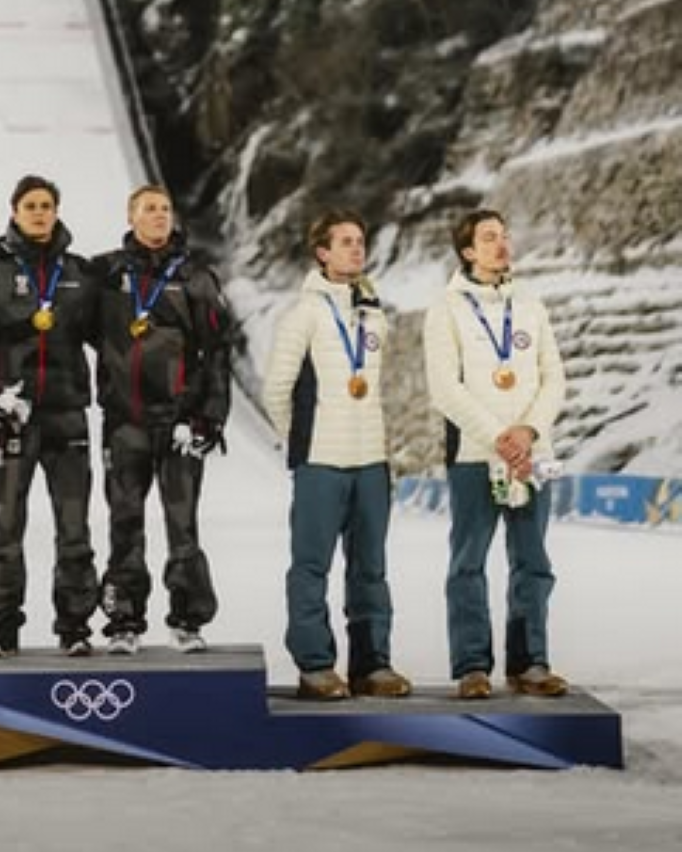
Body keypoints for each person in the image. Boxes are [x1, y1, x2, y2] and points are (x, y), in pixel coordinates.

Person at [261, 209, 411, 701]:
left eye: (360, 241)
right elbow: (276, 389)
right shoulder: (303, 313)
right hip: (321, 462)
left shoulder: (374, 314)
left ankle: (372, 665)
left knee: (371, 569)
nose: (356, 248)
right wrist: (302, 442)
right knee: (311, 567)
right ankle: (316, 665)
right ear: (322, 252)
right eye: (345, 241)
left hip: (370, 460)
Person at [0, 175, 99, 658]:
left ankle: (75, 626)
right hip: (12, 417)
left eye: (46, 205)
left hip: (67, 416)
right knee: (6, 524)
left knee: (74, 526)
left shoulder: (78, 272)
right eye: (30, 205)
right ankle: (1, 628)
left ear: (56, 211)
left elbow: (112, 336)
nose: (39, 213)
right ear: (14, 211)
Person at [424, 208, 568, 700]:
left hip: (532, 453)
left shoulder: (530, 303)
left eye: (504, 235)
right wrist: (499, 438)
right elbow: (445, 389)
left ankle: (530, 663)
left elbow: (554, 378)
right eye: (489, 238)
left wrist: (528, 431)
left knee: (533, 561)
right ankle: (472, 667)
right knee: (468, 562)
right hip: (474, 454)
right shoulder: (446, 309)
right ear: (468, 251)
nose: (502, 244)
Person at [91, 184, 232, 656]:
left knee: (182, 526)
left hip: (179, 424)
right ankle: (123, 622)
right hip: (124, 423)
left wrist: (208, 418)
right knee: (124, 524)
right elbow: (71, 329)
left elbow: (218, 351)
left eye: (166, 209)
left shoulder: (195, 276)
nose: (159, 216)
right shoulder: (106, 273)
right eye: (149, 209)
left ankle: (187, 621)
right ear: (130, 217)